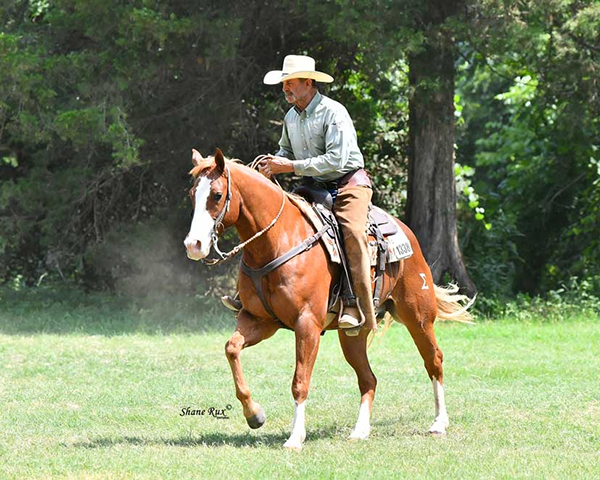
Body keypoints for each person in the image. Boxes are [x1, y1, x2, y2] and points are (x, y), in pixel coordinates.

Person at [222, 54, 376, 334]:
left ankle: (354, 303)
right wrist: (272, 163)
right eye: (284, 84)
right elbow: (286, 152)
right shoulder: (291, 117)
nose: (285, 89)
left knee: (352, 232)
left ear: (308, 82)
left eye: (290, 83)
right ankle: (247, 294)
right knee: (271, 222)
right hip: (315, 186)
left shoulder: (334, 112)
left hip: (348, 185)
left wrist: (290, 166)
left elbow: (337, 161)